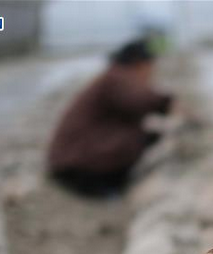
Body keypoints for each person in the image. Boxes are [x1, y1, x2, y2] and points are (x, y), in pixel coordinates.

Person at [47, 39, 173, 197]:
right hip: (74, 166)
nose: (151, 73)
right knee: (139, 137)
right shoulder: (117, 77)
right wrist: (168, 102)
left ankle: (111, 184)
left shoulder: (112, 75)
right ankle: (105, 187)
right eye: (150, 67)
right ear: (140, 64)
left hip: (69, 160)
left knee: (142, 134)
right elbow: (138, 100)